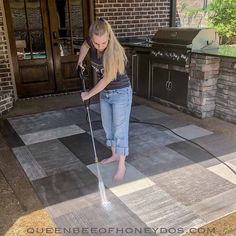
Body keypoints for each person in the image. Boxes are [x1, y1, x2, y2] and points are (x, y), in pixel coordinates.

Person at [77, 18, 132, 181]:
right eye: (97, 43)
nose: (100, 46)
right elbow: (85, 46)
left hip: (121, 93)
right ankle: (115, 155)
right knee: (108, 126)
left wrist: (88, 94)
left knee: (120, 130)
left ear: (109, 37)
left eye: (103, 43)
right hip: (106, 94)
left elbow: (105, 79)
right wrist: (80, 60)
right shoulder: (91, 42)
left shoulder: (114, 52)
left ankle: (122, 164)